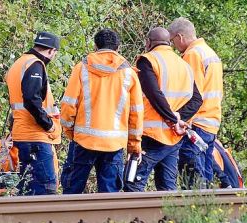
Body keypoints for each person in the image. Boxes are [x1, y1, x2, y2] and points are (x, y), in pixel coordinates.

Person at [59, 29, 144, 194]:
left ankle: (68, 220)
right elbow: (136, 113)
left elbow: (69, 105)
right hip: (114, 144)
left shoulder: (81, 68)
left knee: (72, 192)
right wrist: (134, 145)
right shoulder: (129, 74)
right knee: (109, 196)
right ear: (118, 48)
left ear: (95, 46)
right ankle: (108, 221)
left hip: (84, 140)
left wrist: (70, 132)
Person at [129, 27, 203, 192]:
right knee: (167, 188)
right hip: (174, 137)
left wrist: (173, 119)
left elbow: (155, 95)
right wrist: (179, 118)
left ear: (148, 42)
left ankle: (134, 218)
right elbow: (197, 100)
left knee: (133, 183)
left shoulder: (147, 60)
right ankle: (170, 218)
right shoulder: (184, 65)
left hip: (151, 135)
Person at [5, 31, 63, 195]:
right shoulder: (35, 64)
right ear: (51, 51)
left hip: (23, 134)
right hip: (36, 136)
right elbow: (31, 100)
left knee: (28, 188)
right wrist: (49, 125)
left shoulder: (19, 63)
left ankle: (26, 221)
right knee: (46, 188)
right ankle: (43, 221)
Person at [169, 17, 223, 187]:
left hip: (197, 124)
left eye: (172, 40)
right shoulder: (209, 52)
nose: (173, 45)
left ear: (180, 37)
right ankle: (207, 212)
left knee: (192, 178)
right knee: (205, 176)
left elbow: (192, 94)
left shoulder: (192, 55)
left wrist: (183, 121)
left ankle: (196, 210)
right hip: (211, 122)